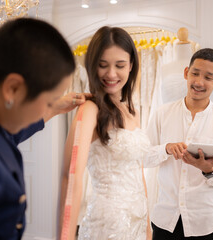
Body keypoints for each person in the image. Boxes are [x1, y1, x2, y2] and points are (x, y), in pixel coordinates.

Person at [0, 18, 89, 239]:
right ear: (13, 88)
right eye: (50, 100)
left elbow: (3, 138)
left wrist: (53, 109)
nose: (50, 106)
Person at [59, 26, 161, 240]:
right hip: (108, 225)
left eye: (120, 65)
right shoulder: (89, 110)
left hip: (139, 219)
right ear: (91, 66)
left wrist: (148, 227)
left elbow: (138, 171)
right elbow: (71, 177)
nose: (111, 74)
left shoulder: (132, 111)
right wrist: (66, 236)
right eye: (103, 65)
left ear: (131, 66)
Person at [145, 48, 213, 239]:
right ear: (186, 72)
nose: (198, 82)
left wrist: (208, 170)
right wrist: (166, 148)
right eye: (195, 73)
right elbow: (143, 157)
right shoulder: (161, 114)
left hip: (208, 223)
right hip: (166, 221)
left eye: (208, 77)